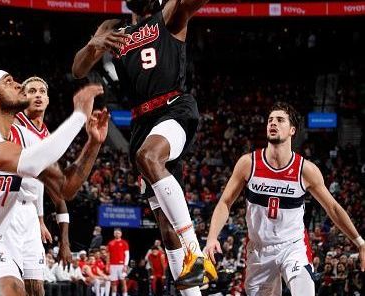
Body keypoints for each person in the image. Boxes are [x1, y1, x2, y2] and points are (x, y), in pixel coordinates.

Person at [72, 0, 217, 291]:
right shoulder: (113, 28)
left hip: (173, 108)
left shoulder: (169, 13)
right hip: (141, 122)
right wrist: (94, 44)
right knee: (165, 224)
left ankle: (196, 255)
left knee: (149, 157)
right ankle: (192, 291)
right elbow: (78, 69)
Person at [0, 69, 108, 296]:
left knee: (15, 289)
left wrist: (93, 144)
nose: (18, 85)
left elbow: (66, 188)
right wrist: (79, 115)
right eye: (9, 82)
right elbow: (30, 163)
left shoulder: (28, 138)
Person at [204, 102, 365, 296]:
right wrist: (212, 237)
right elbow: (224, 202)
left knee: (304, 290)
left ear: (292, 130)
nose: (273, 123)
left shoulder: (306, 170)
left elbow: (332, 208)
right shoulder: (248, 163)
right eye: (270, 120)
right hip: (258, 250)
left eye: (280, 120)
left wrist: (360, 242)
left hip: (293, 246)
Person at [4, 76, 73, 296]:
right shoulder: (14, 126)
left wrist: (42, 220)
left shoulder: (45, 136)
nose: (37, 95)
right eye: (31, 91)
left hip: (30, 214)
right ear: (23, 97)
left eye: (42, 91)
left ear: (48, 99)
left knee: (36, 285)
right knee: (11, 284)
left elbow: (46, 186)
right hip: (8, 209)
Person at [107, 228, 130, 296]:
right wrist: (108, 266)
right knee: (113, 283)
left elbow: (127, 255)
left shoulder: (124, 243)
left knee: (123, 282)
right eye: (116, 233)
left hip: (121, 265)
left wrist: (125, 266)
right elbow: (108, 255)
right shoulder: (110, 243)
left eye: (118, 233)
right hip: (112, 265)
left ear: (121, 234)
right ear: (114, 234)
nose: (117, 234)